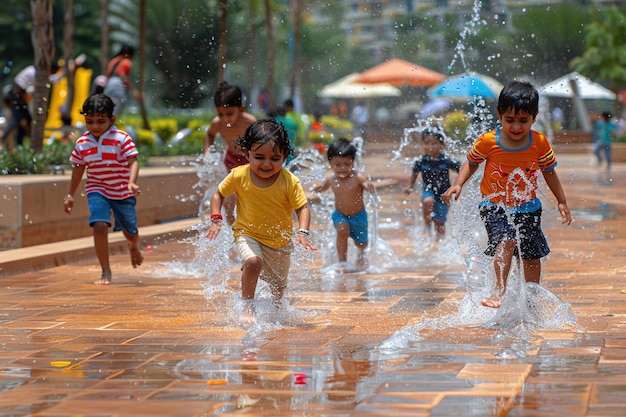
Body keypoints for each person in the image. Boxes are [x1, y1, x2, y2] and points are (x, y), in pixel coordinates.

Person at [442, 80, 572, 309]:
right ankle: (498, 290)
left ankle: (531, 297)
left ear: (534, 117)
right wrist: (458, 184)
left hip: (529, 206)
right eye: (509, 120)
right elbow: (471, 163)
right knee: (506, 239)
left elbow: (549, 172)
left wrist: (561, 200)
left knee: (531, 255)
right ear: (499, 115)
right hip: (494, 205)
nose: (516, 127)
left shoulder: (539, 143)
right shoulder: (488, 141)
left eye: (523, 121)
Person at [205, 118, 317, 324]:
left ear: (285, 156)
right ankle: (247, 306)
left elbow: (302, 207)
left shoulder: (289, 181)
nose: (266, 164)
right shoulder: (239, 175)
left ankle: (276, 310)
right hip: (247, 233)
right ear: (246, 154)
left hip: (280, 242)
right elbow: (218, 194)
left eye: (274, 158)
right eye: (259, 157)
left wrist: (303, 232)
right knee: (253, 262)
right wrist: (216, 218)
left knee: (278, 287)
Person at [63, 93, 143, 285]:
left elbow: (133, 162)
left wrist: (131, 182)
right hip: (97, 189)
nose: (95, 126)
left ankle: (134, 245)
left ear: (111, 119)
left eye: (100, 121)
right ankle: (105, 271)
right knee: (99, 224)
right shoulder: (82, 143)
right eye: (90, 122)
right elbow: (78, 169)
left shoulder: (121, 138)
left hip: (123, 192)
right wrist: (70, 194)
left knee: (130, 232)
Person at [312, 138, 374, 270]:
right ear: (330, 163)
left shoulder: (357, 177)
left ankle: (361, 254)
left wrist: (368, 186)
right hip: (340, 215)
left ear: (353, 162)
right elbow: (321, 188)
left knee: (361, 244)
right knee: (342, 230)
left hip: (359, 216)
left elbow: (367, 186)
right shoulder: (331, 179)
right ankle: (342, 262)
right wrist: (311, 190)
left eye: (347, 164)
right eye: (337, 165)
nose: (342, 168)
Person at [204, 81, 256, 225]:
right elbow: (209, 134)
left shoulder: (249, 122)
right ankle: (233, 227)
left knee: (250, 193)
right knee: (229, 196)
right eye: (221, 114)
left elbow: (261, 139)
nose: (225, 119)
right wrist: (207, 151)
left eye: (230, 114)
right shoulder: (217, 123)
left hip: (249, 161)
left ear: (241, 109)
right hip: (231, 160)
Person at [404, 128, 460, 239]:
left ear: (441, 145)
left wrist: (458, 184)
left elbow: (461, 170)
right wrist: (410, 186)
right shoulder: (421, 162)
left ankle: (439, 242)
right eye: (426, 143)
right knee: (427, 201)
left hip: (444, 193)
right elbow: (414, 174)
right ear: (422, 144)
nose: (430, 146)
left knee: (439, 223)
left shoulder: (446, 160)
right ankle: (427, 227)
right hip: (428, 190)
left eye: (434, 143)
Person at [1, 63, 64, 150]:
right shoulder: (35, 73)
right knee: (17, 120)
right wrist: (64, 73)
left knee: (25, 121)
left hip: (20, 98)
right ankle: (3, 138)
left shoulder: (35, 71)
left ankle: (21, 144)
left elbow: (50, 80)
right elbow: (48, 81)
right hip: (17, 97)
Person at [103, 44, 141, 116]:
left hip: (109, 83)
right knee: (116, 107)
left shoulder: (114, 60)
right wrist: (133, 90)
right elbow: (122, 76)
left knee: (108, 106)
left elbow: (108, 74)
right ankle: (112, 125)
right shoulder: (126, 61)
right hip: (117, 84)